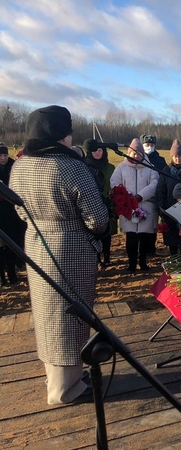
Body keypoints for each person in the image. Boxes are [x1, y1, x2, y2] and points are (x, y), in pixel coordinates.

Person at [9, 105, 108, 404]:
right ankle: (66, 390)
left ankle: (63, 378)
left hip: (37, 244)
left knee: (48, 313)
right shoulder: (71, 167)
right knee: (69, 316)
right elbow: (98, 220)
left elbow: (18, 209)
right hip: (71, 248)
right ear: (61, 135)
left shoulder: (20, 166)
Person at [110, 138, 159, 272]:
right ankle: (131, 264)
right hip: (127, 206)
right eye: (133, 153)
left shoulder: (150, 168)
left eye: (138, 153)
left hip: (145, 206)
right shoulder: (121, 167)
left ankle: (143, 262)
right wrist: (127, 196)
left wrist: (140, 196)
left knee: (144, 237)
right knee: (131, 237)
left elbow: (154, 184)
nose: (136, 155)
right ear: (129, 153)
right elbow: (115, 182)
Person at [83, 141, 116, 266]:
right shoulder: (84, 166)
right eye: (95, 150)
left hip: (108, 203)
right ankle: (96, 258)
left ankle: (107, 257)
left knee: (107, 232)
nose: (97, 152)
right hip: (91, 202)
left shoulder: (111, 168)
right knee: (94, 232)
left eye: (100, 150)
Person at [0, 142, 24, 285]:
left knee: (11, 244)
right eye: (0, 155)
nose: (3, 158)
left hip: (11, 211)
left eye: (4, 155)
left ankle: (12, 273)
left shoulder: (12, 167)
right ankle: (1, 276)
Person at [140, 134, 165, 256]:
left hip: (155, 196)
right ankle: (142, 250)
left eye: (151, 145)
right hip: (140, 196)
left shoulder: (160, 161)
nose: (149, 147)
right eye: (147, 145)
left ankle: (152, 249)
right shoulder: (138, 158)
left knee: (153, 223)